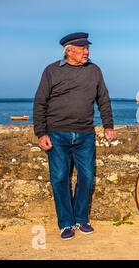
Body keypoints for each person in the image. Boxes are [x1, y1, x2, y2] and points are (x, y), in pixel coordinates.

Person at [33, 32, 115, 240]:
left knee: (86, 177)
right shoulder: (51, 71)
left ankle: (81, 219)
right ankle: (66, 223)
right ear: (69, 51)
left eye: (87, 48)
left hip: (85, 133)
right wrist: (41, 133)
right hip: (57, 133)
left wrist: (108, 126)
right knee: (60, 178)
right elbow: (40, 103)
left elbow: (103, 99)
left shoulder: (94, 70)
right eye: (82, 48)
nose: (87, 51)